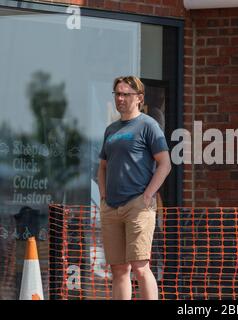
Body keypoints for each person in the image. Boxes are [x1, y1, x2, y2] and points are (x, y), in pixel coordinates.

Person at [97, 76, 171, 300]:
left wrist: (148, 196)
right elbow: (102, 167)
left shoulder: (149, 125)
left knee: (140, 266)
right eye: (117, 94)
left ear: (139, 98)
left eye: (125, 94)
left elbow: (165, 164)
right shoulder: (111, 129)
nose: (120, 98)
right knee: (119, 270)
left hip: (138, 206)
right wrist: (103, 197)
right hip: (111, 208)